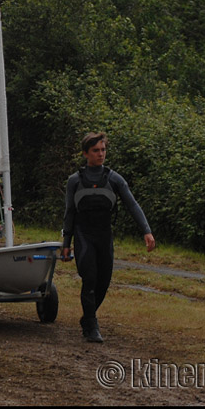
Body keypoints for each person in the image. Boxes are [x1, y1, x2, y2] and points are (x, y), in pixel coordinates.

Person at [61, 132, 155, 343]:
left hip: (104, 235)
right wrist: (66, 243)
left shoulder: (114, 179)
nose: (101, 154)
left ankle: (87, 318)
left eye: (103, 150)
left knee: (103, 282)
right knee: (90, 278)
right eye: (96, 150)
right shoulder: (75, 181)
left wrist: (146, 231)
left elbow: (132, 205)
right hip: (83, 235)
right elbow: (69, 213)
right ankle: (92, 326)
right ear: (86, 153)